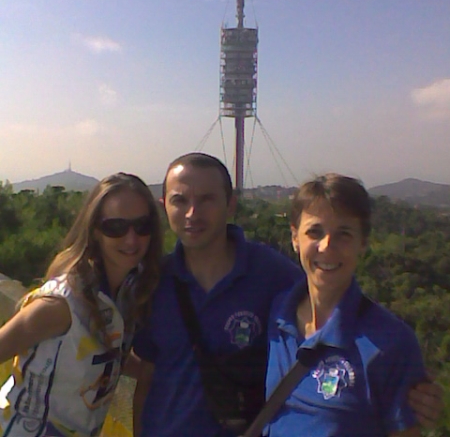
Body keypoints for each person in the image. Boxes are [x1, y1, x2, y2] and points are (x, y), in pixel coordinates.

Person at [133, 154, 443, 437]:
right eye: (179, 200)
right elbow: (145, 370)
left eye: (206, 199)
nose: (192, 212)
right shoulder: (153, 280)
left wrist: (414, 384)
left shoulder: (272, 277)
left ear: (231, 204)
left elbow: (335, 299)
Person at [0, 172, 162, 437]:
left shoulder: (125, 296)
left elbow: (105, 357)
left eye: (142, 226)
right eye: (116, 227)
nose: (131, 240)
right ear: (95, 231)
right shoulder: (61, 305)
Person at [264, 173, 426, 436]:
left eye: (344, 234)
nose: (327, 246)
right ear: (295, 238)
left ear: (363, 242)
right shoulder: (275, 316)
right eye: (314, 232)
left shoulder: (390, 343)